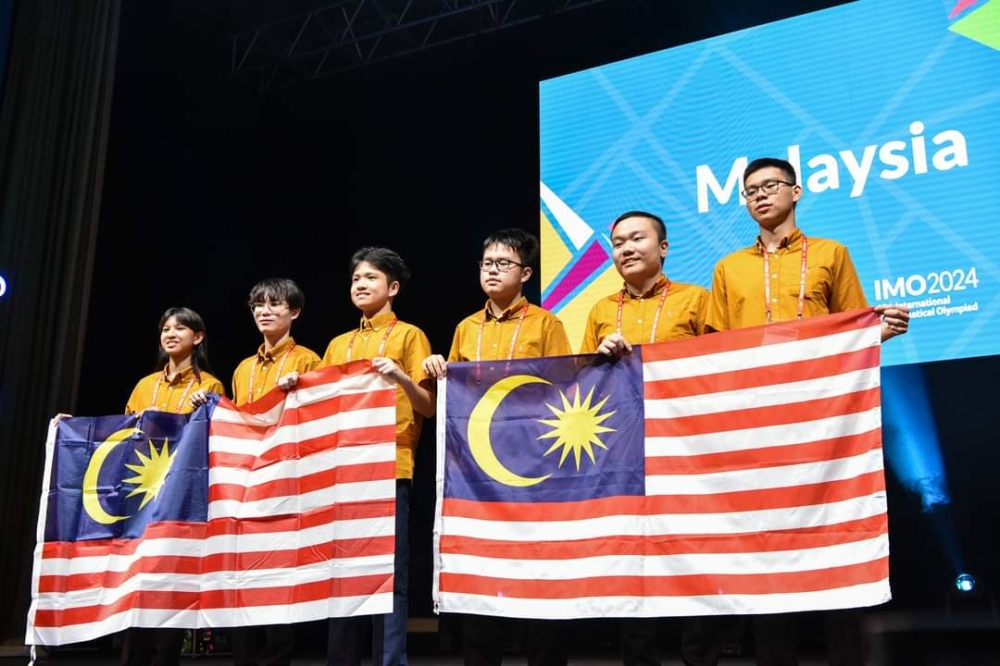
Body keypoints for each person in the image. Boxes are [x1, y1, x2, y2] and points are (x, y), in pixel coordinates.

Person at [682, 157, 910, 666]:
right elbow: (716, 350)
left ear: (797, 191)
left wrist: (880, 331)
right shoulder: (727, 268)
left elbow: (852, 331)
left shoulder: (832, 253)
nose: (760, 196)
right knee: (765, 555)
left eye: (769, 186)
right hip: (754, 431)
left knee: (834, 550)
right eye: (750, 191)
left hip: (823, 427)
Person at [423, 228, 572, 666]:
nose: (491, 269)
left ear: (525, 273)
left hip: (534, 466)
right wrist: (437, 368)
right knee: (481, 576)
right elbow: (452, 395)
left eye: (502, 263)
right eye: (486, 263)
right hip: (476, 473)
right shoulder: (465, 327)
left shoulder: (547, 324)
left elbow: (564, 388)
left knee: (540, 574)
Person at [281, 247, 434, 666]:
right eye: (355, 279)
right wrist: (297, 387)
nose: (361, 285)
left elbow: (429, 407)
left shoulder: (409, 336)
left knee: (391, 579)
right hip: (341, 475)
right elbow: (317, 408)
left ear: (393, 287)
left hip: (389, 469)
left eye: (370, 278)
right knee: (343, 577)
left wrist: (400, 375)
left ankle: (390, 661)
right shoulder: (337, 344)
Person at [578, 211, 708, 666]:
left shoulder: (698, 300)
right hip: (622, 456)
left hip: (685, 450)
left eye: (637, 239)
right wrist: (597, 360)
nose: (626, 249)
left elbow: (719, 370)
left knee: (693, 563)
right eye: (617, 243)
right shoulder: (598, 311)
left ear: (664, 247)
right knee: (634, 566)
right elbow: (581, 391)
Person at [121, 307, 225, 666]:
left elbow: (214, 440)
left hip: (180, 501)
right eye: (165, 328)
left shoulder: (209, 385)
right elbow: (122, 438)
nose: (170, 333)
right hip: (142, 500)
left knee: (171, 586)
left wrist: (207, 406)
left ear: (197, 337)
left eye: (180, 328)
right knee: (138, 584)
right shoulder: (144, 386)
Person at [230, 278, 321, 666]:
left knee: (280, 577)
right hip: (247, 483)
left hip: (288, 481)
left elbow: (320, 420)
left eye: (274, 304)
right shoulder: (242, 368)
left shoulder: (309, 361)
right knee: (244, 576)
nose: (264, 311)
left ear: (294, 312)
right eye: (257, 306)